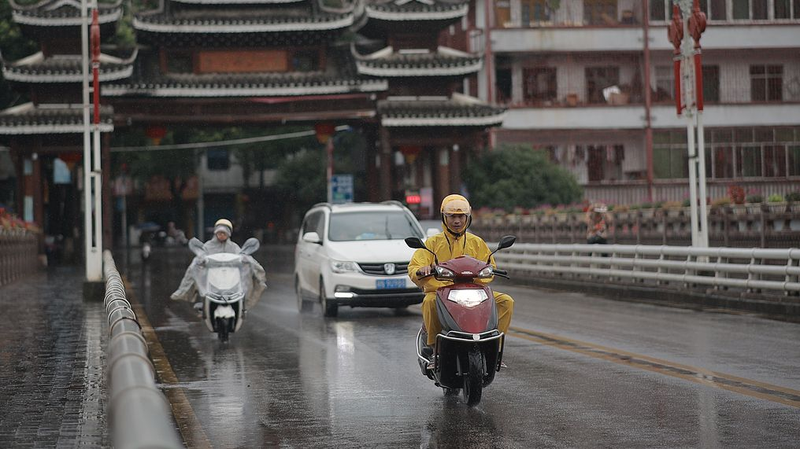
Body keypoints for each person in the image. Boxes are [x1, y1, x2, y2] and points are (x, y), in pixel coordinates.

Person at [408, 194, 514, 359]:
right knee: (429, 301)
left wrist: (488, 271)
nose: (457, 221)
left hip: (473, 291)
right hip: (440, 292)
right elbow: (415, 266)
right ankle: (434, 348)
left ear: (468, 218)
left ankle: (494, 348)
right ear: (444, 217)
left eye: (461, 216)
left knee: (506, 301)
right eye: (452, 216)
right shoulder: (432, 243)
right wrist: (421, 270)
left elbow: (489, 264)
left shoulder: (476, 242)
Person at [170, 219, 258, 308]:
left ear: (228, 234)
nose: (221, 235)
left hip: (230, 276)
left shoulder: (234, 247)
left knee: (250, 269)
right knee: (194, 268)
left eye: (224, 233)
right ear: (215, 233)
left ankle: (244, 300)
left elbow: (240, 257)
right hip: (212, 276)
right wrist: (202, 260)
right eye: (219, 233)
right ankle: (189, 293)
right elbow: (202, 256)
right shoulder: (208, 246)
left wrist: (244, 259)